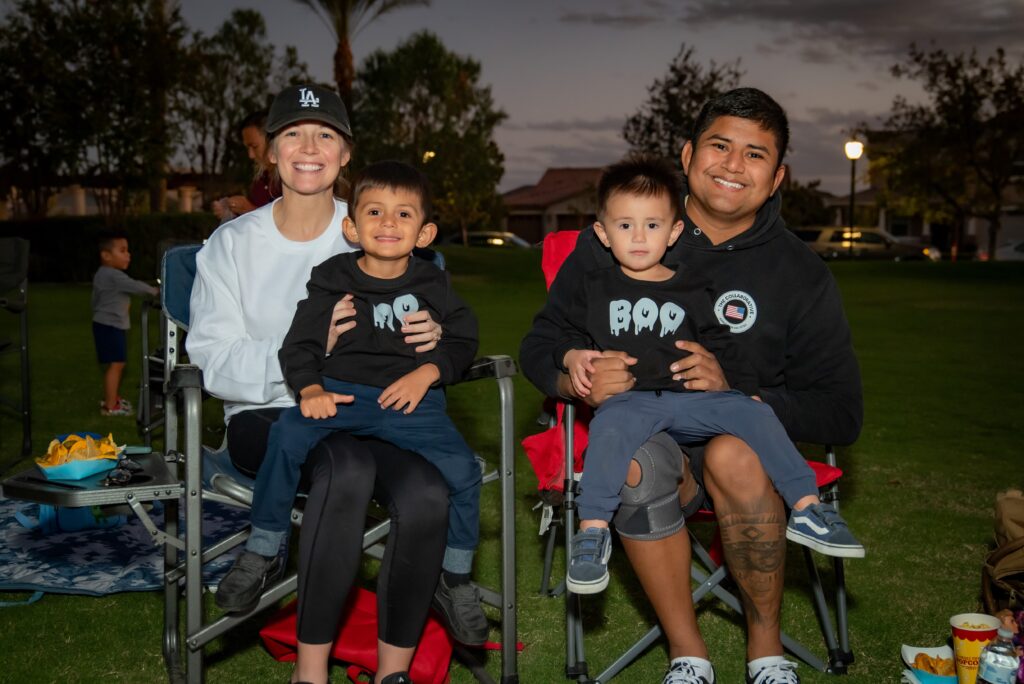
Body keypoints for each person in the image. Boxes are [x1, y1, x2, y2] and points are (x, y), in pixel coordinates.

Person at [520, 88, 863, 684]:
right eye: (720, 146)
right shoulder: (622, 236)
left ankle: (766, 652)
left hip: (739, 444)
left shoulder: (800, 273)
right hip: (649, 440)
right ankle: (689, 654)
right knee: (638, 460)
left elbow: (840, 411)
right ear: (687, 154)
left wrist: (742, 393)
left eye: (755, 155)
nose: (734, 165)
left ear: (777, 176)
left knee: (738, 454)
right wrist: (574, 370)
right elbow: (539, 342)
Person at [187, 84, 449, 684]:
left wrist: (429, 334)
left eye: (325, 134)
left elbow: (431, 322)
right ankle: (312, 675)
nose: (310, 147)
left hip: (373, 410)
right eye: (293, 135)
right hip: (266, 417)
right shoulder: (229, 247)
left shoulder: (379, 230)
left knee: (428, 493)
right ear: (270, 154)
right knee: (347, 467)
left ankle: (393, 673)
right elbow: (212, 359)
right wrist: (306, 347)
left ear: (345, 154)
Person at [557, 154, 863, 595]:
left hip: (693, 401)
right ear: (602, 234)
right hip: (632, 401)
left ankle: (808, 506)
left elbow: (726, 348)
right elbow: (556, 334)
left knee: (753, 411)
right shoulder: (593, 286)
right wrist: (574, 359)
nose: (639, 238)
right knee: (609, 427)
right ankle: (592, 532)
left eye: (652, 226)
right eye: (625, 227)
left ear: (674, 231)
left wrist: (729, 381)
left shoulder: (693, 287)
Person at [245, 159, 488, 646]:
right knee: (288, 433)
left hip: (412, 403)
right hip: (344, 396)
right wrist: (310, 389)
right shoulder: (332, 277)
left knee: (464, 472)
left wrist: (428, 371)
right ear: (352, 227)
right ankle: (264, 548)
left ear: (425, 232)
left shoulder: (433, 284)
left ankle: (454, 578)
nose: (388, 224)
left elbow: (464, 342)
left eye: (403, 214)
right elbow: (300, 343)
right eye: (375, 212)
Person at [91, 230, 158, 416]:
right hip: (111, 326)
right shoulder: (113, 275)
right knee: (117, 365)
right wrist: (156, 291)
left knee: (115, 364)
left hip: (105, 325)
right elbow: (136, 286)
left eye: (128, 250)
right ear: (106, 255)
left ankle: (112, 399)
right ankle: (111, 406)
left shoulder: (102, 274)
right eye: (122, 250)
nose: (128, 254)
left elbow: (95, 300)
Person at [211, 110, 278, 221]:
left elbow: (291, 225)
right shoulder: (260, 180)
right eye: (247, 148)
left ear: (273, 141)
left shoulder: (291, 181)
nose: (250, 155)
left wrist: (248, 209)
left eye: (255, 146)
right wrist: (231, 212)